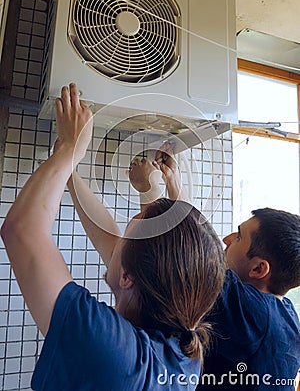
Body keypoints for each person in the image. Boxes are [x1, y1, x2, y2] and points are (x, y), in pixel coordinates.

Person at [0, 83, 226, 391]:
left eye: (129, 230)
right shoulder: (182, 348)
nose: (119, 236)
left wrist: (69, 149)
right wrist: (66, 170)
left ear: (128, 278)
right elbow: (116, 243)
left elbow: (22, 230)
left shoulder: (115, 353)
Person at [128, 148, 300, 391]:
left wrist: (150, 191)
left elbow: (185, 254)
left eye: (239, 237)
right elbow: (202, 251)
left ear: (259, 268)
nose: (226, 239)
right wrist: (173, 183)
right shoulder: (283, 312)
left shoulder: (249, 311)